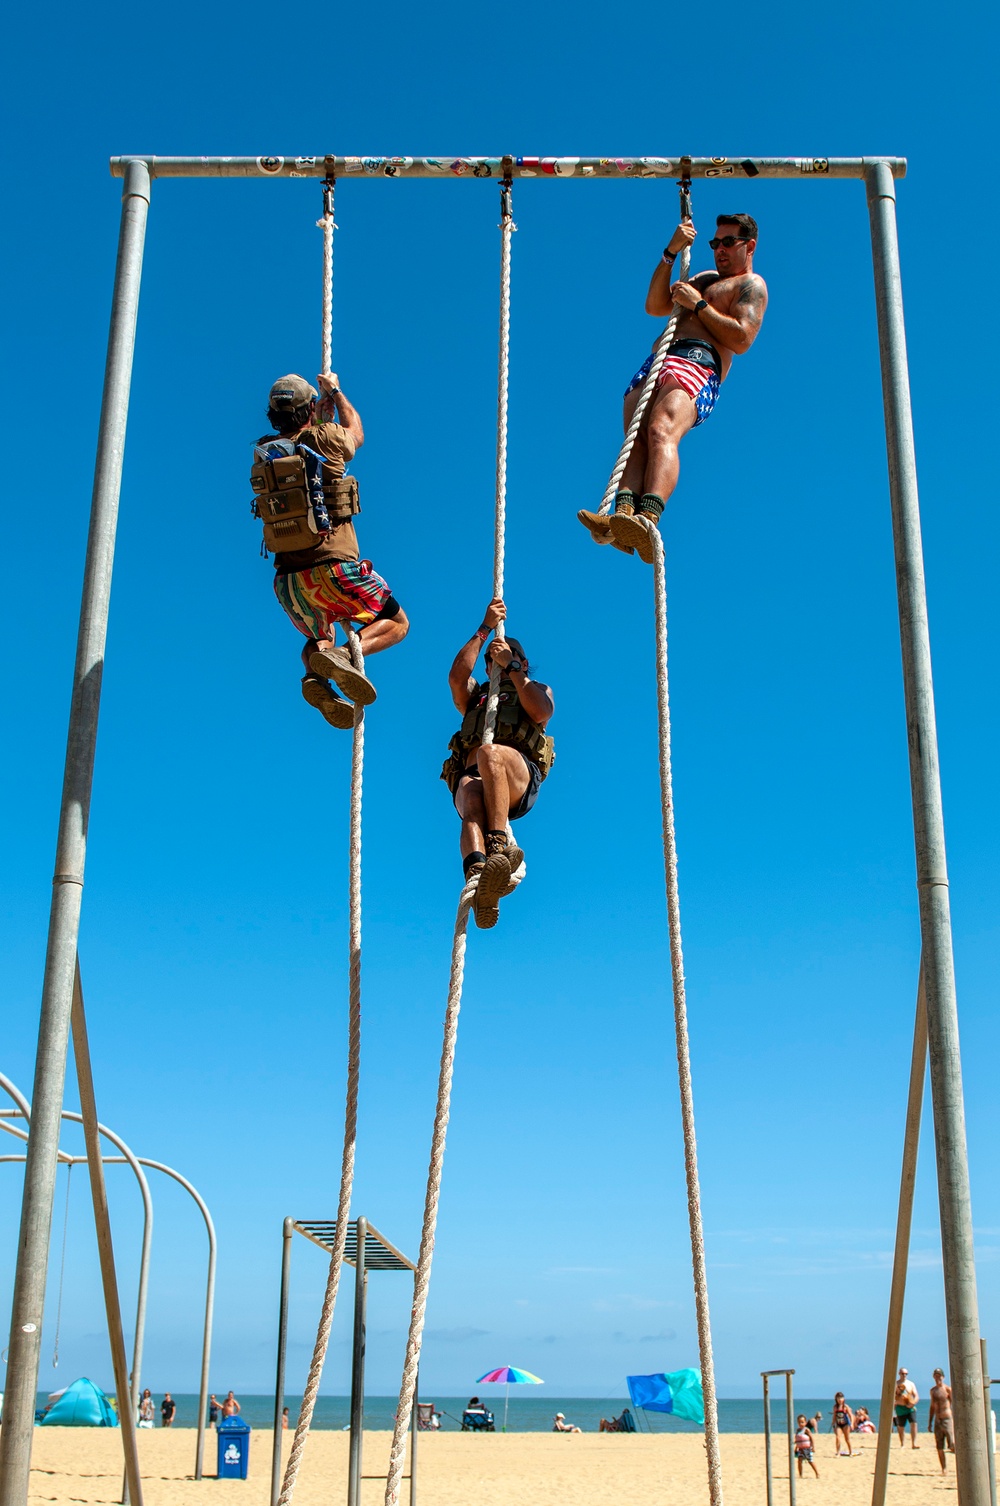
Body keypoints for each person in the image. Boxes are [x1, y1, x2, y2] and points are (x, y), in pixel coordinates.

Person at [578, 212, 768, 564]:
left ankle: (647, 518)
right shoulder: (701, 277)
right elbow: (654, 305)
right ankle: (624, 514)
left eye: (728, 242)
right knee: (635, 438)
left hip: (698, 361)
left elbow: (742, 338)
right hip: (660, 357)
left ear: (749, 246)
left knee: (661, 430)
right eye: (715, 243)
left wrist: (697, 305)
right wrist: (670, 253)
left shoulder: (750, 285)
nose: (720, 250)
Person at [253, 372, 409, 729]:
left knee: (318, 634)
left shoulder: (264, 451)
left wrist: (315, 416)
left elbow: (302, 444)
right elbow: (355, 434)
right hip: (333, 569)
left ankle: (315, 674)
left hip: (289, 584)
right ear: (308, 408)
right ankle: (344, 655)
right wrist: (336, 393)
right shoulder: (325, 438)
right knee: (398, 623)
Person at [444, 598, 555, 929]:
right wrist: (484, 629)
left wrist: (513, 668)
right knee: (470, 805)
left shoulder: (533, 687)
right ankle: (480, 879)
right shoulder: (476, 696)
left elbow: (540, 712)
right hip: (473, 774)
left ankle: (498, 847)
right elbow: (455, 677)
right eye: (493, 657)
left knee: (489, 753)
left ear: (523, 659)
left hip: (515, 774)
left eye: (507, 653)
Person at [928, 1368, 955, 1472]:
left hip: (947, 1418)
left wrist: (955, 1419)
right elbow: (932, 1406)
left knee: (952, 1445)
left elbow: (953, 1404)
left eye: (939, 1375)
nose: (938, 1377)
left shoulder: (947, 1389)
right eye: (936, 1375)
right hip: (937, 1420)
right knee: (939, 1446)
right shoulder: (933, 1391)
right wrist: (930, 1422)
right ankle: (944, 1468)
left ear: (943, 1377)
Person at [894, 1368, 920, 1448]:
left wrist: (913, 1403)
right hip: (900, 1408)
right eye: (902, 1373)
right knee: (901, 1426)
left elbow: (916, 1396)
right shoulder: (895, 1384)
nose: (904, 1375)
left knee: (913, 1423)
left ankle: (914, 1443)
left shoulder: (911, 1384)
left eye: (906, 1374)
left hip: (910, 1408)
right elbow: (892, 1397)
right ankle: (902, 1443)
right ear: (899, 1374)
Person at [794, 1414, 820, 1479]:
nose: (801, 1424)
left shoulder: (806, 1430)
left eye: (802, 1422)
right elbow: (797, 1440)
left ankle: (817, 1473)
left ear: (805, 1422)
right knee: (799, 1461)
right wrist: (796, 1448)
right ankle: (800, 1475)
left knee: (810, 1461)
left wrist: (813, 1447)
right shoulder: (797, 1430)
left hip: (807, 1448)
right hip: (800, 1449)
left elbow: (811, 1438)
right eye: (799, 1422)